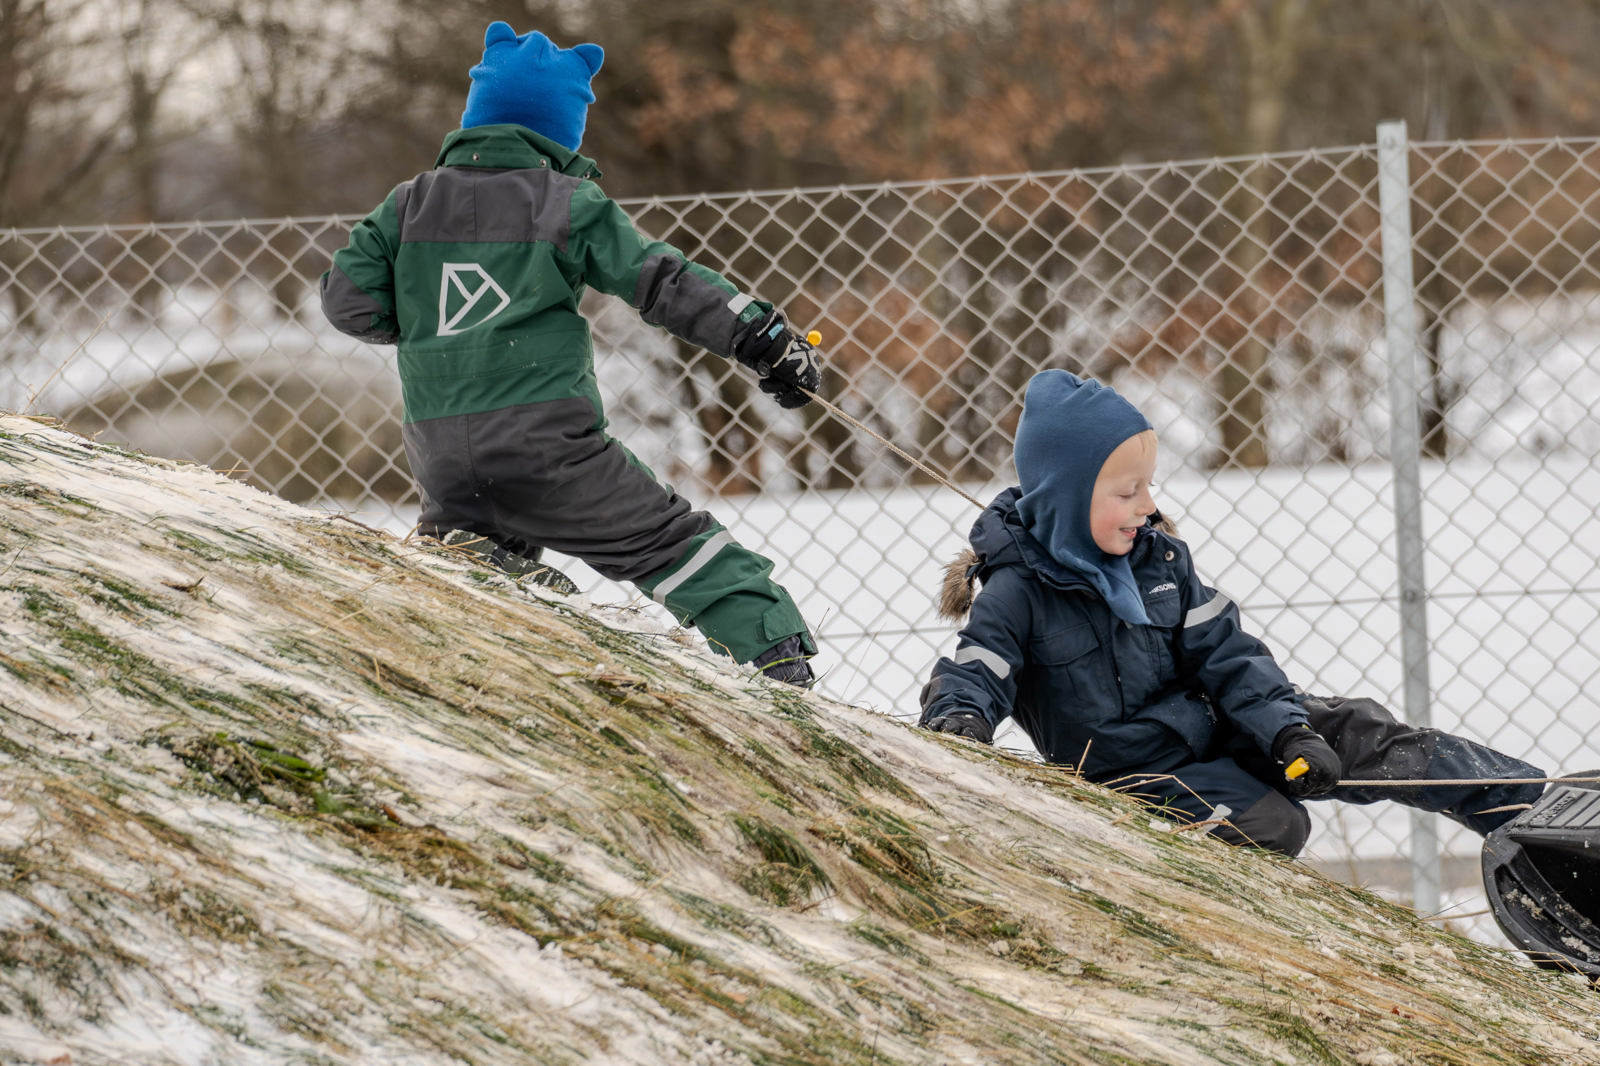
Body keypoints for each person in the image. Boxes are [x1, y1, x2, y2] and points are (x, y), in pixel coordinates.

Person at [320, 22, 822, 686]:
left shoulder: (408, 204)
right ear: (562, 131)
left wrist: (434, 329)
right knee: (669, 541)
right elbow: (661, 282)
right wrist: (761, 336)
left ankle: (481, 578)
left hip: (441, 451)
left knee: (478, 563)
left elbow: (345, 301)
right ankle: (777, 658)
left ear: (476, 115)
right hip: (547, 445)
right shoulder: (565, 202)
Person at [919, 368, 1546, 855]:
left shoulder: (1160, 561)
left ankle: (1526, 807)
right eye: (1127, 491)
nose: (1147, 505)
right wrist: (959, 721)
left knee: (1355, 732)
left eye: (1149, 485)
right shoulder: (1016, 592)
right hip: (1135, 777)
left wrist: (1287, 731)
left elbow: (1230, 654)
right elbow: (977, 668)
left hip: (1213, 724)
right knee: (1275, 823)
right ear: (1064, 496)